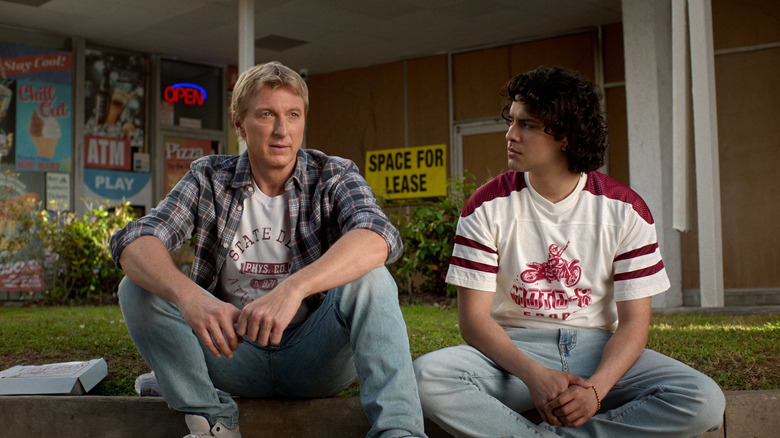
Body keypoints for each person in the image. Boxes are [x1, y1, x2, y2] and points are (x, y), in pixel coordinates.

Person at [110, 61, 426, 438]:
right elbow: (134, 240)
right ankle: (213, 422)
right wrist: (190, 297)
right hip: (231, 352)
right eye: (266, 114)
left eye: (293, 114)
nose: (282, 130)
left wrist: (293, 289)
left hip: (315, 357)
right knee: (136, 288)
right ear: (239, 123)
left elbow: (377, 234)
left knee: (371, 279)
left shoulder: (332, 174)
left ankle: (399, 433)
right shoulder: (209, 177)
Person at [413, 66, 725, 437]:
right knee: (424, 378)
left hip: (599, 352)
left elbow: (634, 324)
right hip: (513, 353)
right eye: (511, 122)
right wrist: (533, 374)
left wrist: (595, 391)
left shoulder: (625, 209)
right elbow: (474, 322)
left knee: (703, 399)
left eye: (526, 125)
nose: (510, 135)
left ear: (565, 136)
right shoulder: (486, 206)